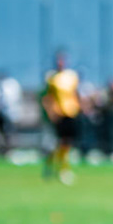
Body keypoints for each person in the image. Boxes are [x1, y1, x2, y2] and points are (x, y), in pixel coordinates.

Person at [40, 51, 80, 184]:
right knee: (58, 143)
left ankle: (63, 168)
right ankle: (51, 165)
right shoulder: (52, 77)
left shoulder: (71, 76)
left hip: (71, 112)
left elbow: (75, 94)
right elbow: (47, 97)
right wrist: (51, 113)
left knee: (67, 143)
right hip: (58, 114)